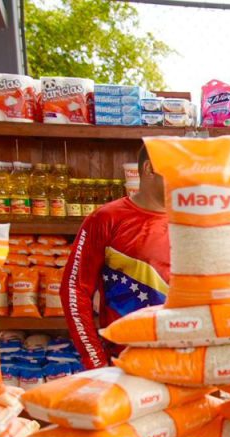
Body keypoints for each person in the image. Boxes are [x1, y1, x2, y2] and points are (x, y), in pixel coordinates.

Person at [62, 143, 169, 368]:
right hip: (126, 362)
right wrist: (95, 360)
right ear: (150, 169)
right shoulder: (105, 219)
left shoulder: (195, 220)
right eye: (176, 171)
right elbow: (75, 290)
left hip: (186, 362)